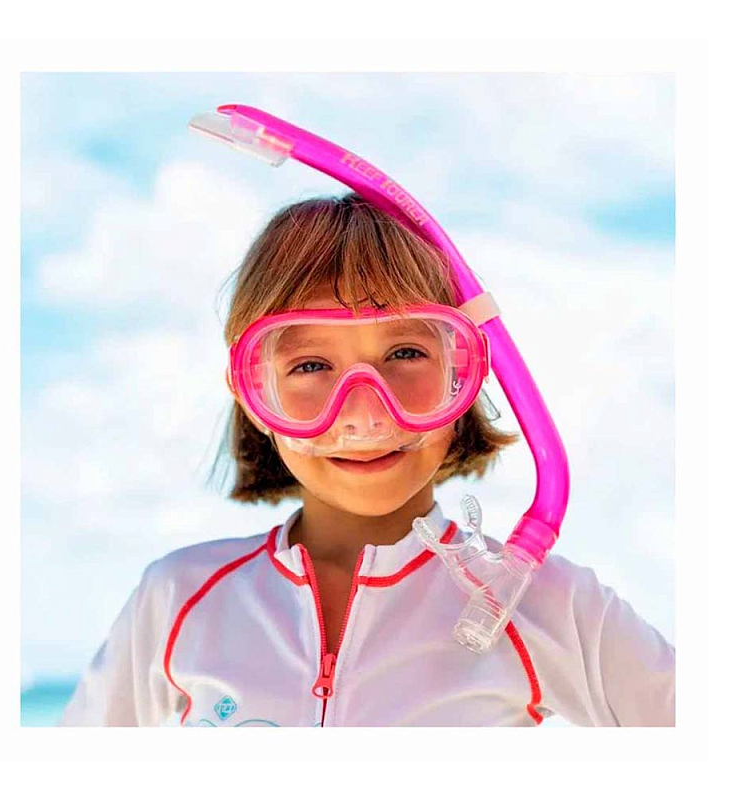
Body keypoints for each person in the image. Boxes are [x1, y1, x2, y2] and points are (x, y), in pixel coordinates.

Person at [59, 193, 675, 727]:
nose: (365, 416)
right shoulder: (179, 598)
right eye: (310, 366)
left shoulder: (546, 606)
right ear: (252, 393)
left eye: (405, 353)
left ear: (464, 373)